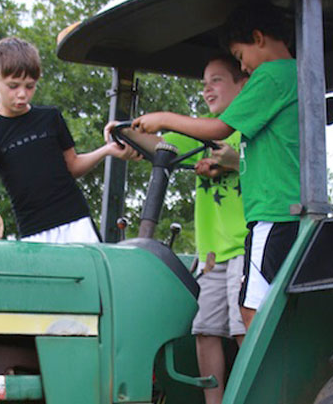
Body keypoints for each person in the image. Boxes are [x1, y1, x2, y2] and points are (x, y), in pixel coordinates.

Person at [131, 2, 300, 330]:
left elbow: (218, 128)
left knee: (251, 310)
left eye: (240, 57)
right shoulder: (295, 76)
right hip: (281, 210)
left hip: (273, 211)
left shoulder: (271, 75)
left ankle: (267, 381)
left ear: (258, 38)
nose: (245, 68)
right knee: (255, 307)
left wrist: (164, 118)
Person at [105, 55, 249, 404]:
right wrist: (125, 134)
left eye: (216, 80)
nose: (206, 89)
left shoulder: (248, 129)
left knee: (243, 331)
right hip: (212, 254)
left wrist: (232, 162)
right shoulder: (201, 131)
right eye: (203, 83)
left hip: (246, 246)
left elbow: (254, 163)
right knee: (204, 330)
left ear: (242, 84)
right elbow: (162, 146)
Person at [0, 36, 137, 243]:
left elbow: (73, 166)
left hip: (77, 222)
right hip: (34, 232)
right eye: (13, 86)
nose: (22, 94)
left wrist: (107, 150)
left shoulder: (50, 118)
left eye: (29, 86)